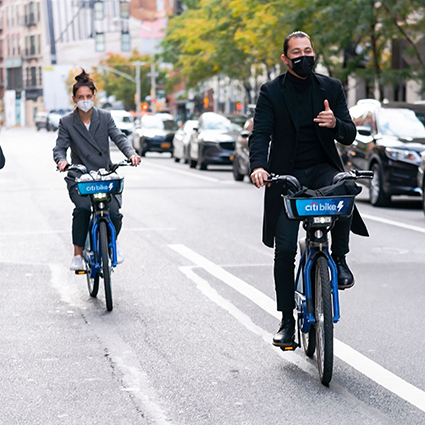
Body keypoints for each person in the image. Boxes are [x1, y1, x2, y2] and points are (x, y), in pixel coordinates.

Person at [249, 31, 368, 348]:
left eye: (309, 50)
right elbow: (260, 134)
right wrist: (259, 166)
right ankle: (287, 320)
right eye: (297, 52)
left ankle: (339, 259)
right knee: (285, 248)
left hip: (322, 168)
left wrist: (335, 124)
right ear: (286, 58)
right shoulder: (271, 91)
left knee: (346, 186)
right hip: (285, 174)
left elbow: (349, 135)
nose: (305, 56)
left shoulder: (331, 87)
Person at [53, 70, 141, 271]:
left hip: (104, 176)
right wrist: (61, 161)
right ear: (74, 99)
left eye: (88, 96)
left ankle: (111, 244)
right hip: (80, 177)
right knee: (83, 209)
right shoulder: (67, 121)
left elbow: (119, 138)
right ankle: (77, 255)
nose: (85, 100)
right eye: (80, 97)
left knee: (114, 213)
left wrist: (131, 154)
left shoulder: (105, 117)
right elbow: (60, 147)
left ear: (94, 96)